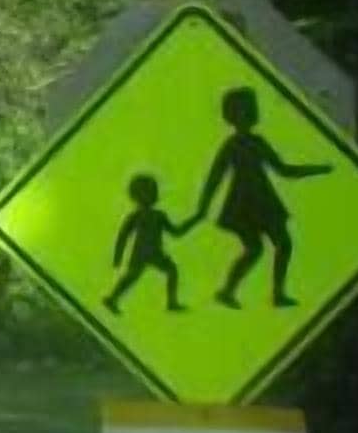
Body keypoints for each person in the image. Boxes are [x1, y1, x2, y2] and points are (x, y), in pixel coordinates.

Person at [190, 86, 330, 309]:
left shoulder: (258, 141)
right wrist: (201, 209)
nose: (251, 113)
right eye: (245, 110)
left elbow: (284, 170)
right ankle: (228, 291)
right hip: (243, 205)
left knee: (283, 244)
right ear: (233, 115)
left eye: (251, 109)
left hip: (264, 201)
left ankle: (276, 294)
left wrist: (318, 169)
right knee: (256, 249)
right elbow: (214, 178)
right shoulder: (231, 145)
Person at [104, 172, 185, 315]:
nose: (154, 195)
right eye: (150, 192)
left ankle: (172, 302)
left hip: (155, 252)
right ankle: (112, 299)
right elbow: (123, 236)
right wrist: (118, 257)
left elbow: (176, 232)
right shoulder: (136, 216)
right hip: (141, 252)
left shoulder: (159, 215)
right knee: (132, 276)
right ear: (138, 196)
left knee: (171, 270)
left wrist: (194, 221)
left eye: (154, 191)